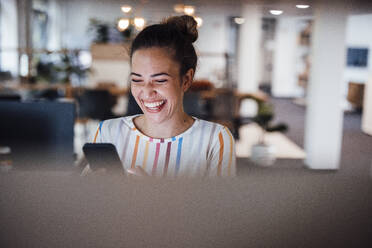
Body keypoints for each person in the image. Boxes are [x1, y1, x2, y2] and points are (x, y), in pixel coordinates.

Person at [84, 15, 236, 177]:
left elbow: (219, 202)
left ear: (186, 80)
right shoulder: (107, 132)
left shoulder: (215, 139)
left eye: (160, 80)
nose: (147, 92)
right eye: (137, 80)